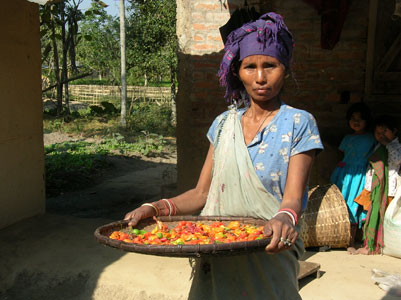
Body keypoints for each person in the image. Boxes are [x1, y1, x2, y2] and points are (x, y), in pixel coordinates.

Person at [124, 12, 323, 299]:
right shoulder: (223, 125)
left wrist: (284, 219)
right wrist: (154, 208)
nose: (260, 77)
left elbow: (292, 198)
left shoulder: (299, 123)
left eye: (270, 65)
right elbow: (200, 193)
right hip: (217, 254)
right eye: (249, 67)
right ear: (237, 72)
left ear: (286, 69)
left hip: (269, 249)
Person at [330, 102, 377, 253]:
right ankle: (339, 238)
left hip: (359, 176)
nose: (356, 122)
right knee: (340, 204)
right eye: (353, 118)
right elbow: (342, 155)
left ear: (367, 121)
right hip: (344, 175)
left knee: (354, 205)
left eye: (360, 119)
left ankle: (351, 242)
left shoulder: (371, 139)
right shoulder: (347, 138)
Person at [355, 115, 401, 255]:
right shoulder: (378, 147)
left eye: (385, 132)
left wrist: (388, 146)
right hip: (375, 189)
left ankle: (377, 245)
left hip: (388, 190)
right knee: (373, 213)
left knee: (384, 215)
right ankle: (371, 243)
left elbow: (394, 162)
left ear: (394, 131)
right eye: (378, 133)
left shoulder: (396, 147)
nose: (381, 136)